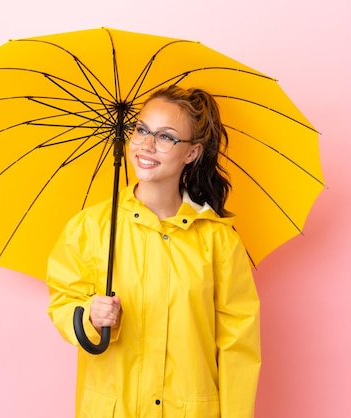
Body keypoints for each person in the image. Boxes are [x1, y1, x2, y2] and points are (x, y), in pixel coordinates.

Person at [46, 85, 261, 417]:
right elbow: (64, 301)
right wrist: (89, 314)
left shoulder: (218, 240)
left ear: (191, 153)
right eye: (142, 129)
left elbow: (237, 349)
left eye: (166, 137)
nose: (146, 145)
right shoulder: (91, 227)